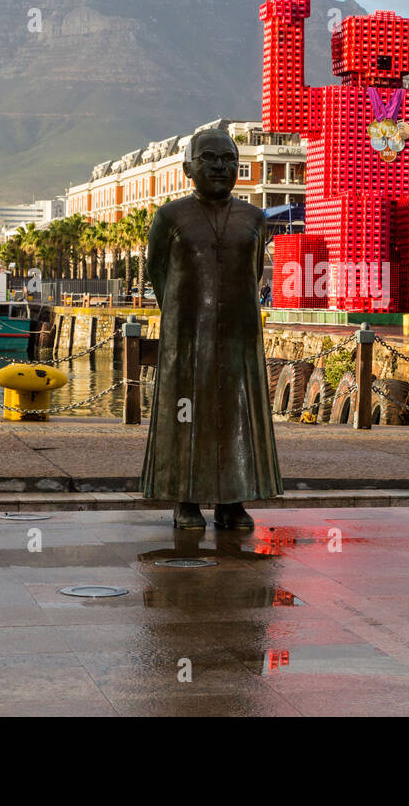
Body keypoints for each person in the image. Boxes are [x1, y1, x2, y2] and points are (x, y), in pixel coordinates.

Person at [139, 127, 282, 529]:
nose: (220, 166)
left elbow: (252, 273)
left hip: (239, 335)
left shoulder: (254, 218)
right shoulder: (170, 216)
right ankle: (184, 498)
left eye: (228, 159)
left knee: (236, 414)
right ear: (188, 167)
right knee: (185, 414)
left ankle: (232, 500)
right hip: (186, 335)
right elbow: (158, 272)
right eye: (210, 158)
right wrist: (182, 318)